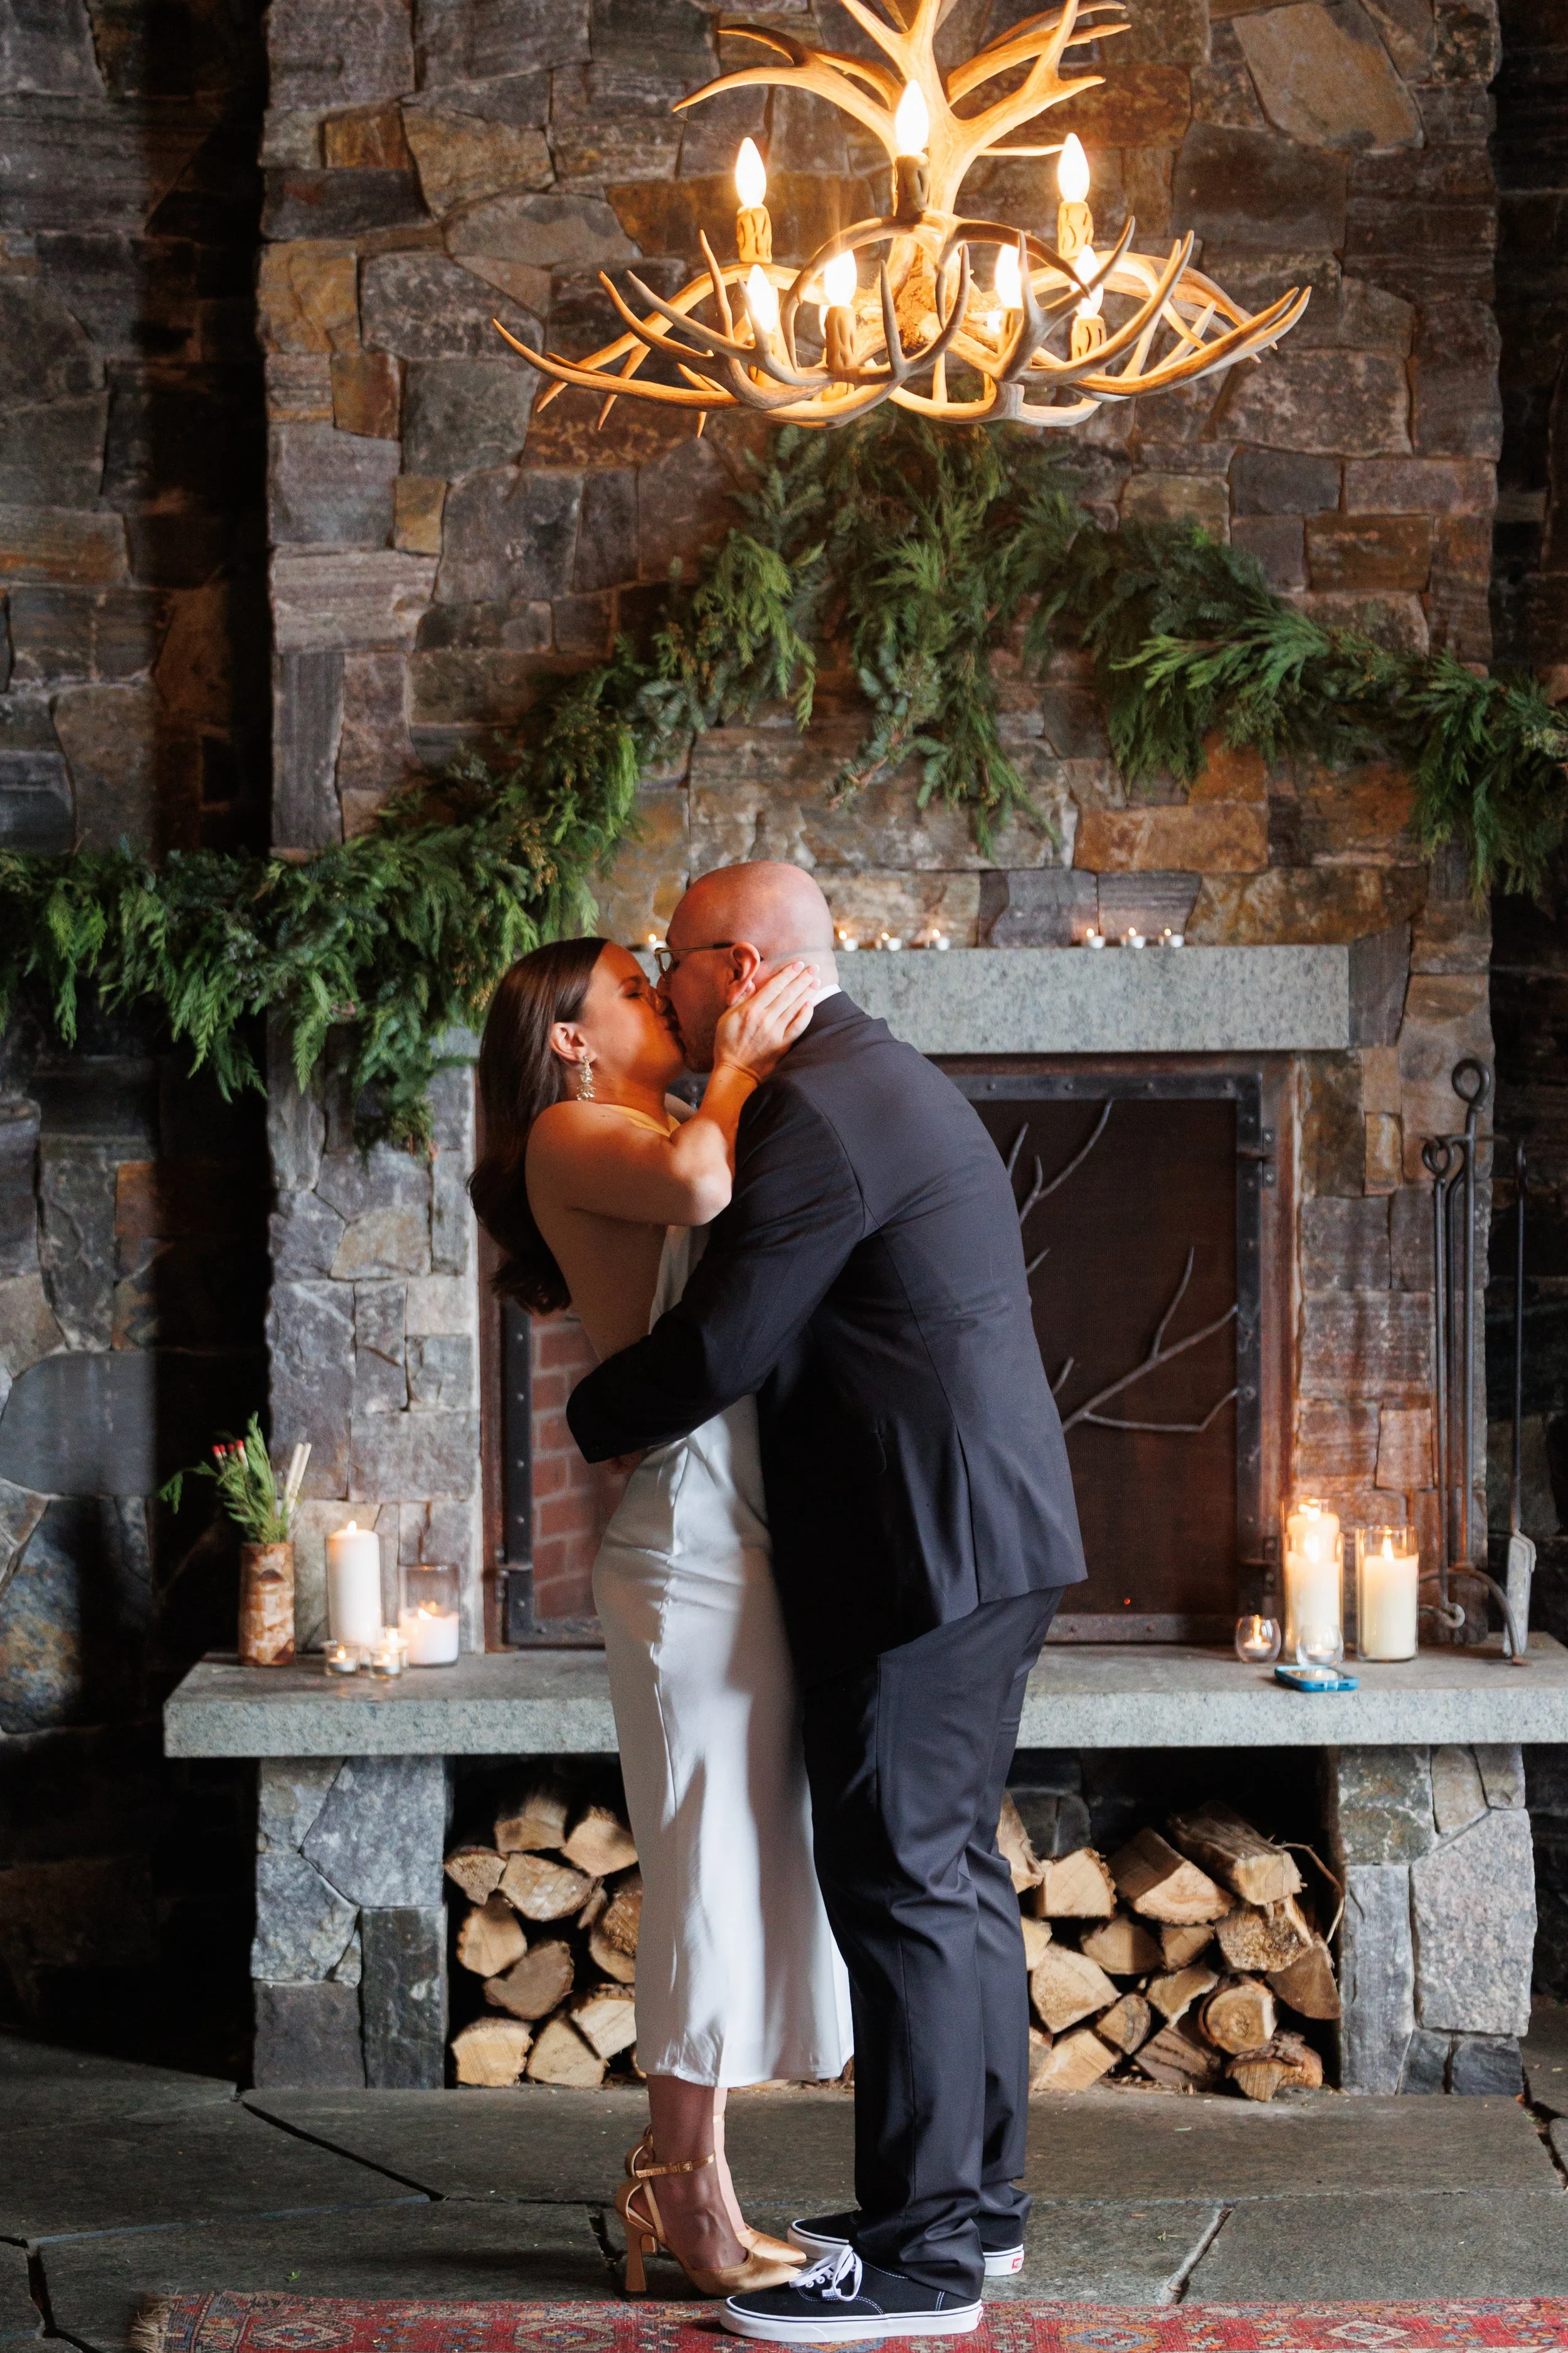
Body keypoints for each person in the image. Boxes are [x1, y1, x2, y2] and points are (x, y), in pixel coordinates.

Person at [567, 863, 1088, 2345]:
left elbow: (726, 1340)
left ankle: (919, 2269)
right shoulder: (872, 1076)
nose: (660, 994)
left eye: (671, 967)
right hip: (984, 1536)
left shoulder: (812, 1107)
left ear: (733, 970)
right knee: (954, 1879)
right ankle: (972, 2217)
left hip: (919, 1548)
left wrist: (591, 1414)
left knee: (905, 1881)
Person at [468, 934, 853, 2302]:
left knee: (742, 1856)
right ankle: (684, 2196)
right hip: (686, 1537)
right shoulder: (570, 1130)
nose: (658, 1001)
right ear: (568, 1037)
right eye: (631, 990)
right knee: (703, 1859)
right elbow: (703, 1179)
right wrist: (745, 1064)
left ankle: (682, 2178)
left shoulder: (638, 1119)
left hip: (729, 1519)